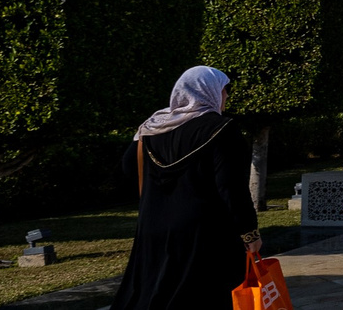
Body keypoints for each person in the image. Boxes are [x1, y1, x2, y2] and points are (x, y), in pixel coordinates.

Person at [110, 65, 257, 310]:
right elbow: (231, 188)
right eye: (224, 89)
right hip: (204, 233)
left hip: (153, 227)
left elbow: (127, 168)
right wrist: (249, 233)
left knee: (155, 295)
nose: (227, 96)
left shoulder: (152, 127)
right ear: (207, 90)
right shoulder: (222, 128)